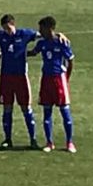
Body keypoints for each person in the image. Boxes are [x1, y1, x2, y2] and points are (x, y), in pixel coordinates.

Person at [0, 14, 41, 149]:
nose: (7, 31)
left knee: (26, 107)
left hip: (21, 77)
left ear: (14, 24)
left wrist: (59, 35)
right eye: (4, 29)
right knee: (7, 107)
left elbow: (41, 35)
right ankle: (7, 139)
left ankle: (33, 139)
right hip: (6, 77)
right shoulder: (0, 36)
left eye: (8, 28)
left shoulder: (24, 34)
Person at [29, 16, 76, 153]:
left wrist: (66, 78)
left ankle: (69, 142)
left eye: (41, 28)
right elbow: (33, 53)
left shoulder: (61, 42)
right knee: (47, 112)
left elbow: (70, 61)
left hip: (59, 79)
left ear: (49, 28)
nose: (40, 31)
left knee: (64, 111)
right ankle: (49, 143)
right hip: (46, 79)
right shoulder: (42, 43)